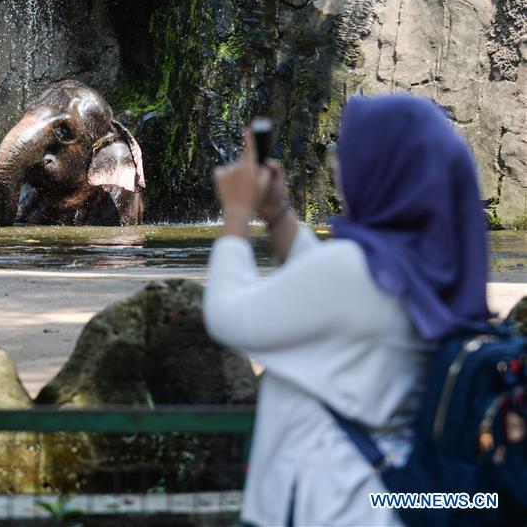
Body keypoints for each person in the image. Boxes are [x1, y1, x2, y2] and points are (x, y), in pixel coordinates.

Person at [203, 94, 491, 525]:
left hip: (330, 503)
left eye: (346, 151)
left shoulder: (358, 270)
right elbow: (331, 297)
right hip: (381, 499)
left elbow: (227, 316)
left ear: (384, 168)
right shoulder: (428, 264)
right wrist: (277, 214)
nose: (337, 163)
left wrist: (237, 211)